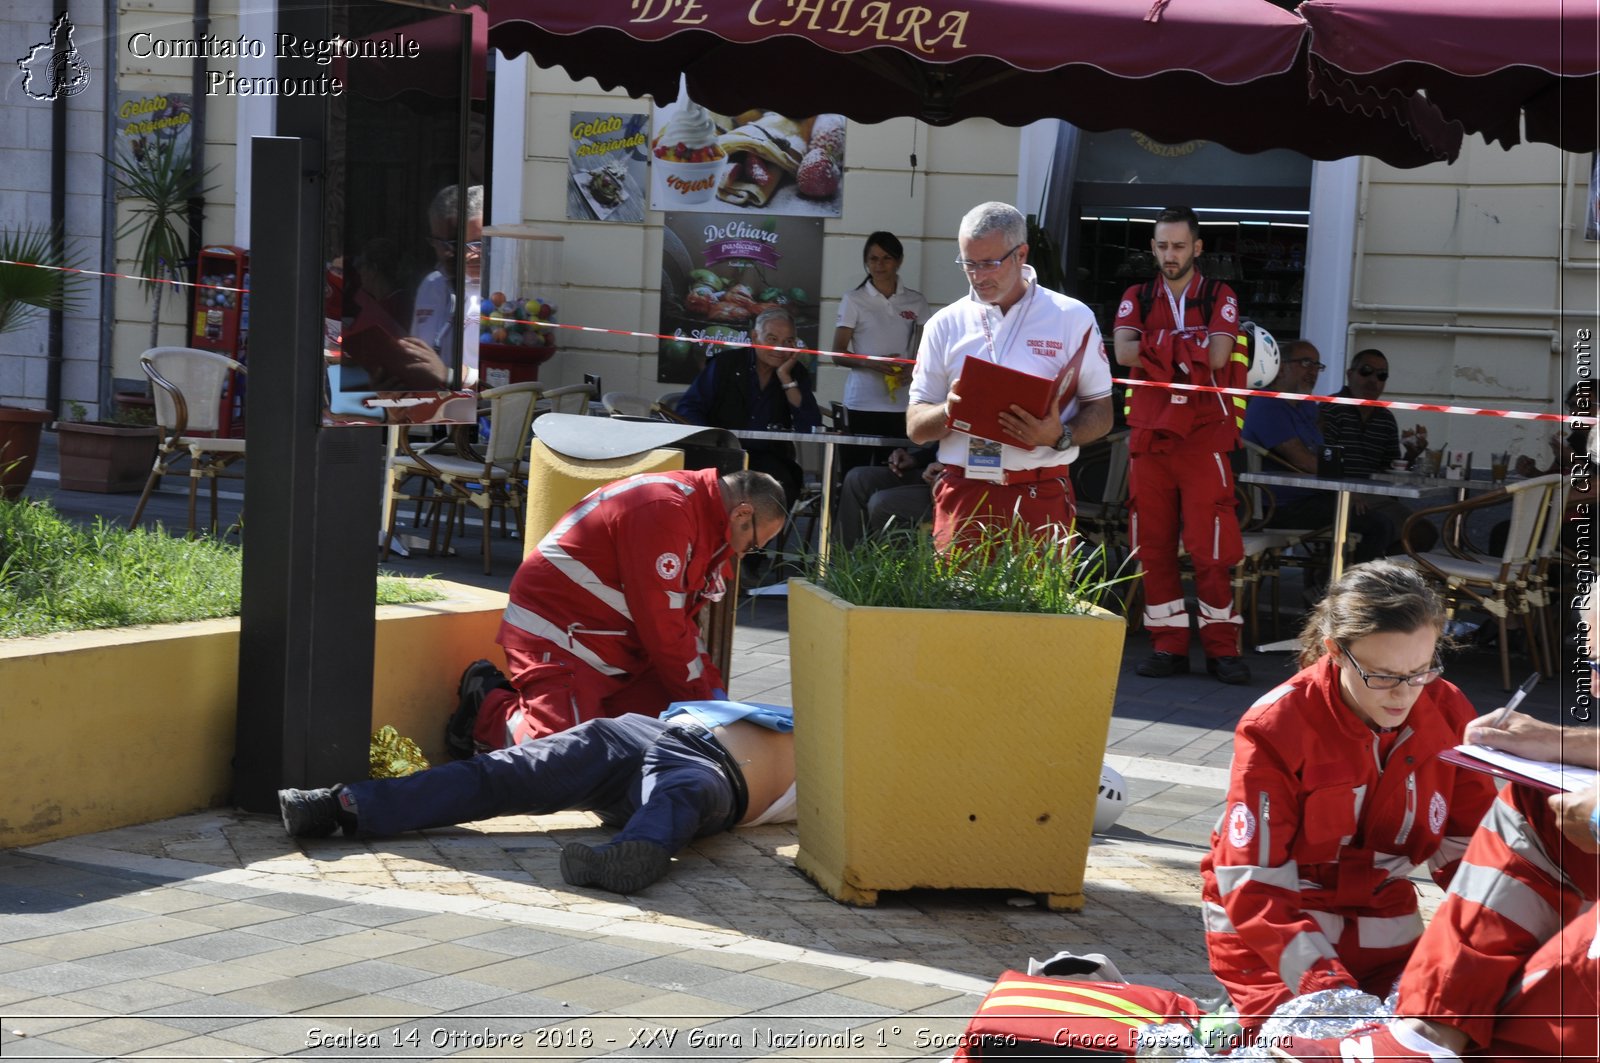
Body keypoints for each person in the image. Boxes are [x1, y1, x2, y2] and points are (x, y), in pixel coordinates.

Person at [1200, 560, 1498, 1032]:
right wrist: (1327, 990)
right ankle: (1215, 1030)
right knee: (1319, 1047)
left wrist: (1502, 953)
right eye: (1382, 676)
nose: (1404, 695)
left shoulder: (1446, 708)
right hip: (1271, 940)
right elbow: (1252, 883)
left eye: (1420, 671)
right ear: (1335, 651)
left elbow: (1474, 856)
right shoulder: (1275, 726)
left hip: (1384, 928)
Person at [1272, 712, 1597, 1061]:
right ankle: (1426, 1036)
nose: (1592, 685)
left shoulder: (1441, 709)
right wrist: (1565, 741)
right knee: (1537, 805)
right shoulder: (1280, 719)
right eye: (1592, 665)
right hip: (1315, 942)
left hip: (1356, 945)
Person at [280, 701, 798, 896]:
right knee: (500, 772)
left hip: (717, 772)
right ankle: (340, 806)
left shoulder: (851, 768)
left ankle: (630, 858)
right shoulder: (822, 704)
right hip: (638, 731)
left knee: (678, 792)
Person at [449, 469, 790, 754]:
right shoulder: (666, 510)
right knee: (562, 756)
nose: (747, 553)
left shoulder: (699, 519)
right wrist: (710, 706)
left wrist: (715, 703)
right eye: (756, 544)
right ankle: (487, 705)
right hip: (559, 636)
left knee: (661, 738)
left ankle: (573, 711)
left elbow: (682, 628)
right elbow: (664, 629)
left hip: (614, 646)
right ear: (742, 513)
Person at [906, 202, 1114, 550]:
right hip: (965, 492)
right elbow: (915, 427)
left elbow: (1102, 412)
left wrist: (1060, 435)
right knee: (958, 604)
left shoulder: (1070, 317)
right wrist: (950, 411)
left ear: (1021, 254)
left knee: (1037, 606)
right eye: (968, 263)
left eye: (989, 263)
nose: (978, 276)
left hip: (1040, 491)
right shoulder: (945, 323)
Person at [1112, 206, 1250, 685]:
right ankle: (1167, 645)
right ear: (1152, 247)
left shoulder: (1220, 293)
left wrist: (1158, 345)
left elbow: (1216, 357)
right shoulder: (1137, 293)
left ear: (1197, 247)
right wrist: (1183, 344)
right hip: (1150, 437)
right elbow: (1121, 352)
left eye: (1178, 246)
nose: (1169, 255)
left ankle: (1221, 649)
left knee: (1210, 548)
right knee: (1153, 547)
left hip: (1204, 435)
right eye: (1161, 246)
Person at [1242, 340, 1394, 566]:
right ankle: (1352, 594)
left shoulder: (1305, 405)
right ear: (1281, 367)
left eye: (1317, 366)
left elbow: (1321, 454)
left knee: (1382, 522)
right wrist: (1346, 489)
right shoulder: (1268, 404)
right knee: (1376, 525)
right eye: (1306, 363)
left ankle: (1327, 586)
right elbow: (1303, 460)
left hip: (1308, 497)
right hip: (1274, 505)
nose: (1313, 372)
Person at [676, 306, 822, 508]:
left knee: (782, 485)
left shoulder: (796, 373)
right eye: (772, 339)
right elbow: (689, 408)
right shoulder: (726, 364)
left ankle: (757, 540)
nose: (780, 348)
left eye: (788, 341)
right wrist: (712, 441)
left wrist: (786, 379)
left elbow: (810, 425)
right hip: (722, 454)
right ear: (755, 337)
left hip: (769, 458)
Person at [830, 231, 931, 472]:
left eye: (886, 258)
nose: (879, 265)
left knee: (896, 474)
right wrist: (873, 363)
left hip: (902, 406)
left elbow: (925, 350)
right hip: (861, 404)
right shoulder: (853, 299)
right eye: (873, 259)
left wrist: (912, 369)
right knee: (855, 473)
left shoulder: (916, 301)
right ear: (866, 261)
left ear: (899, 261)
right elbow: (837, 353)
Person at [1319, 347, 1436, 553]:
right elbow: (1321, 460)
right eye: (1366, 371)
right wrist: (1347, 490)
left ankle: (1378, 575)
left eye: (1381, 375)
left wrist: (1410, 455)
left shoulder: (1386, 418)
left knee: (1423, 531)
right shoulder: (1331, 408)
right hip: (1336, 494)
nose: (1373, 380)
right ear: (1350, 374)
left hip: (1375, 496)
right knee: (1379, 526)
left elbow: (1388, 470)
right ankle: (1351, 576)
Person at [409, 183, 483, 387]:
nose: (447, 252)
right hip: (431, 410)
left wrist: (447, 375)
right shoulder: (430, 285)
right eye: (439, 242)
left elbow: (505, 380)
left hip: (481, 413)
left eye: (455, 242)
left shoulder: (500, 293)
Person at [835, 444, 941, 547]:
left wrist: (948, 467)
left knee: (882, 503)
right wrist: (915, 459)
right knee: (857, 478)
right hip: (934, 474)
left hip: (953, 487)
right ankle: (846, 561)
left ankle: (898, 564)